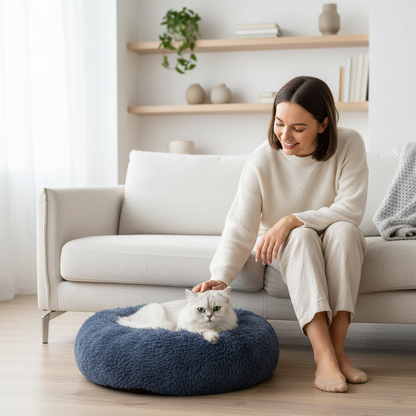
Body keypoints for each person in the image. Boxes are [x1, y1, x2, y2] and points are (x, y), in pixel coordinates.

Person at [192, 76, 369, 393]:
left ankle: (339, 350)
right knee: (301, 238)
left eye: (298, 128)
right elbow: (240, 225)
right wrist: (220, 276)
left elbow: (352, 209)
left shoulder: (350, 143)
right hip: (288, 247)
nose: (285, 136)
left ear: (323, 123)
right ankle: (323, 355)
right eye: (279, 123)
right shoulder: (263, 159)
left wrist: (291, 219)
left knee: (344, 232)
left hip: (333, 235)